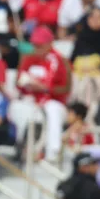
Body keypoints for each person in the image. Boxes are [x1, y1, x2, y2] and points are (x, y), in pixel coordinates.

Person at [17, 26, 70, 161]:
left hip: (54, 102)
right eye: (35, 45)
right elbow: (18, 83)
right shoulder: (28, 59)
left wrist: (45, 88)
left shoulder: (61, 61)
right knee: (19, 107)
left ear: (49, 44)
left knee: (51, 109)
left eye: (40, 46)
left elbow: (66, 89)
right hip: (31, 100)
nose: (37, 49)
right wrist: (25, 84)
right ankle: (22, 149)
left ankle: (53, 152)